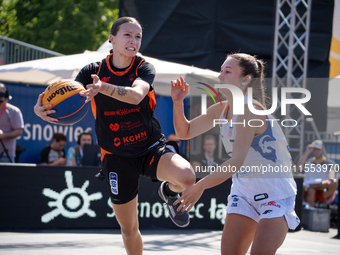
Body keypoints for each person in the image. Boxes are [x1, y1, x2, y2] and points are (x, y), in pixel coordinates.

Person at [34, 17, 195, 255]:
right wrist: (42, 109)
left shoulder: (143, 67)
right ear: (112, 38)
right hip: (116, 156)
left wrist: (104, 88)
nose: (133, 40)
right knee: (129, 229)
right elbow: (69, 97)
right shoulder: (92, 71)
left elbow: (136, 95)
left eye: (138, 36)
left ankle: (169, 193)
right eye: (127, 35)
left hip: (149, 147)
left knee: (187, 177)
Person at [171, 53, 299, 255]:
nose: (220, 75)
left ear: (246, 79)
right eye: (221, 70)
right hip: (244, 192)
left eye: (227, 71)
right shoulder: (221, 110)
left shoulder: (250, 110)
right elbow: (184, 132)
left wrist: (200, 186)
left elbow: (236, 161)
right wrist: (178, 103)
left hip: (276, 193)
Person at [296, 139, 338, 207]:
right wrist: (307, 152)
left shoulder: (330, 163)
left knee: (334, 182)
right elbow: (298, 168)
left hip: (323, 190)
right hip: (309, 189)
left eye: (318, 149)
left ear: (323, 150)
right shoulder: (308, 161)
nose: (315, 151)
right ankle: (311, 214)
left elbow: (332, 177)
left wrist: (326, 182)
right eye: (314, 149)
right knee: (311, 190)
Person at [0, 83, 24, 163]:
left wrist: (3, 135)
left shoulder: (13, 111)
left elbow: (19, 131)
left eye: (1, 93)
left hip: (5, 154)